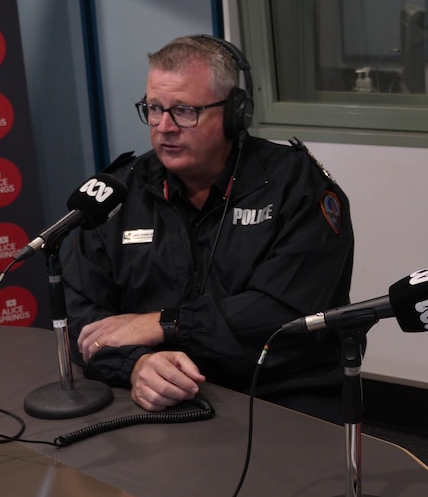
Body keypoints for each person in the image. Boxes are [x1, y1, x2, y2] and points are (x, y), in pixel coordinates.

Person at [61, 35, 354, 416]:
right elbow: (84, 318)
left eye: (183, 110)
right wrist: (135, 365)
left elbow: (288, 316)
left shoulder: (297, 186)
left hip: (280, 394)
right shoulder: (116, 193)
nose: (164, 126)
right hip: (158, 394)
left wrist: (166, 325)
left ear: (235, 113)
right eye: (153, 108)